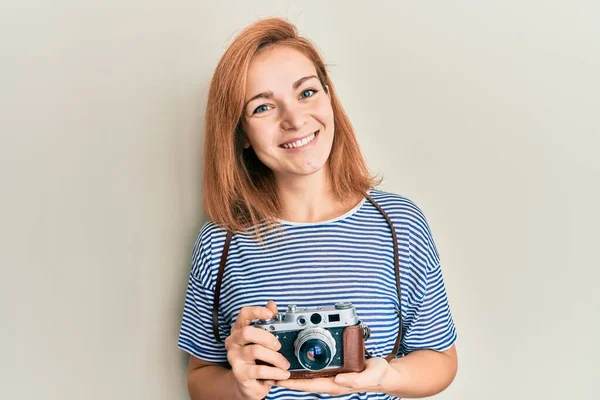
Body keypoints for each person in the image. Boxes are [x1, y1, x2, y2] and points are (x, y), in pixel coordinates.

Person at [178, 17, 458, 400]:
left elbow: (441, 359)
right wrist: (239, 386)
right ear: (240, 133)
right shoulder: (220, 241)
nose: (294, 120)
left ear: (329, 96)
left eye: (306, 92)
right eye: (262, 107)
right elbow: (200, 376)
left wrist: (385, 377)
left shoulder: (400, 224)